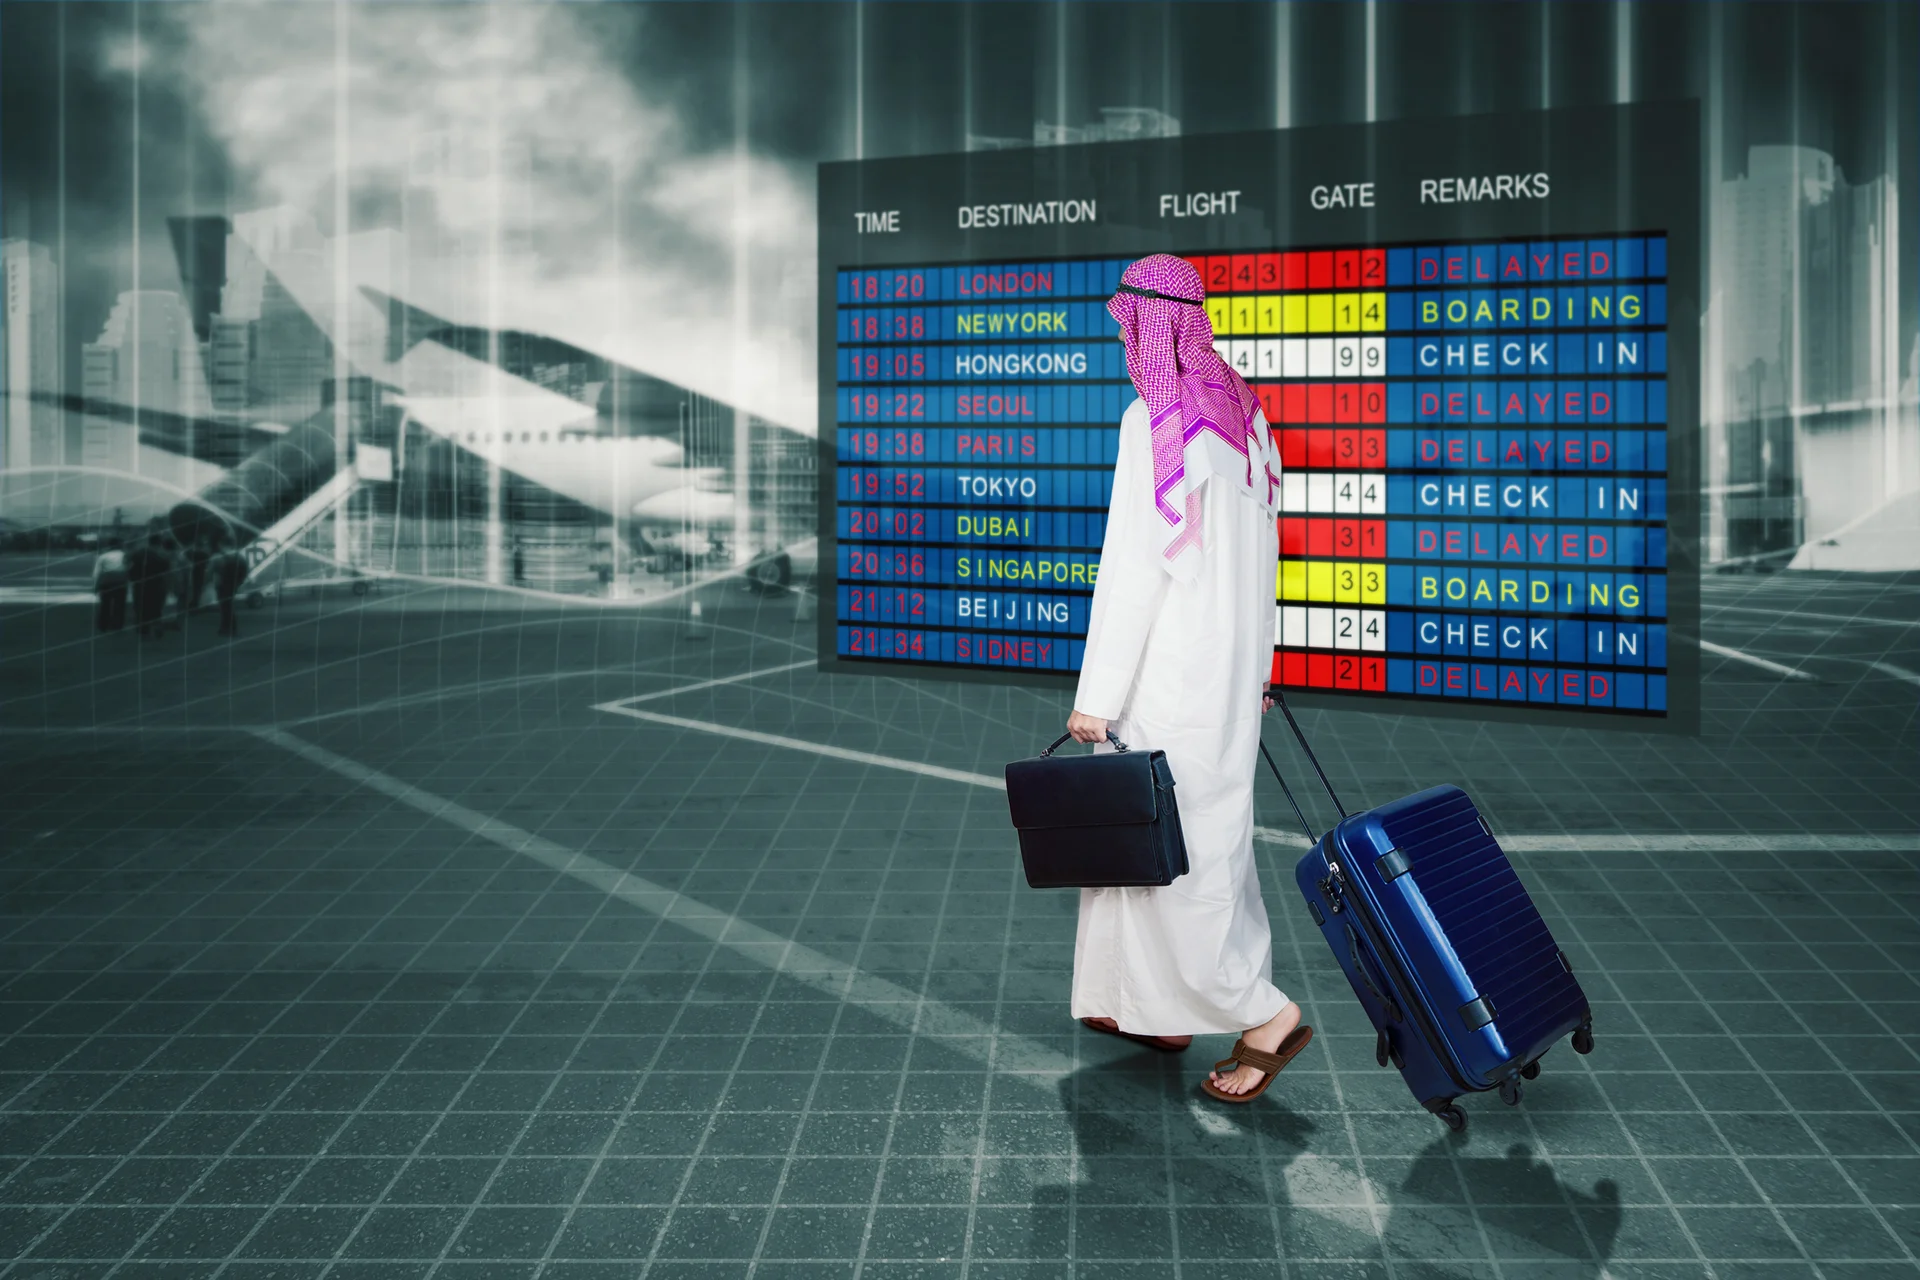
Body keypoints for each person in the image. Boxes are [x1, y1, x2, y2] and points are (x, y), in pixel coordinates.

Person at [1065, 254, 1310, 1105]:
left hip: (1169, 672)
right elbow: (1267, 561)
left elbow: (1133, 569)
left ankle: (1263, 1014)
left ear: (1147, 320)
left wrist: (1097, 696)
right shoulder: (1245, 418)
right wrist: (1264, 666)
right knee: (1177, 841)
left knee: (1177, 850)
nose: (1119, 329)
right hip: (1231, 672)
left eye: (1126, 315)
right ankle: (1151, 1007)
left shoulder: (1154, 419)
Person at [131, 532, 172, 639]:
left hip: (140, 583)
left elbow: (130, 566)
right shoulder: (163, 554)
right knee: (156, 606)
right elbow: (167, 569)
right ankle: (156, 627)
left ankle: (143, 630)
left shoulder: (139, 553)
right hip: (157, 583)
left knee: (141, 606)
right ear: (159, 542)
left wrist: (133, 578)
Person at [211, 536, 249, 638]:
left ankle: (226, 628)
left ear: (223, 545)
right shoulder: (239, 557)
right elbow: (244, 571)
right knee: (229, 606)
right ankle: (230, 627)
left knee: (224, 607)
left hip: (222, 585)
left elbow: (213, 571)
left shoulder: (218, 557)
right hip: (233, 585)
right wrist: (238, 582)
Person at [92, 539, 128, 632]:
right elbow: (128, 568)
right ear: (120, 545)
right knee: (119, 605)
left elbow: (97, 572)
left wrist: (95, 586)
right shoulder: (125, 555)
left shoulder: (103, 556)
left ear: (109, 546)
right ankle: (117, 625)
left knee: (105, 604)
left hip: (106, 582)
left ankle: (103, 625)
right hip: (120, 582)